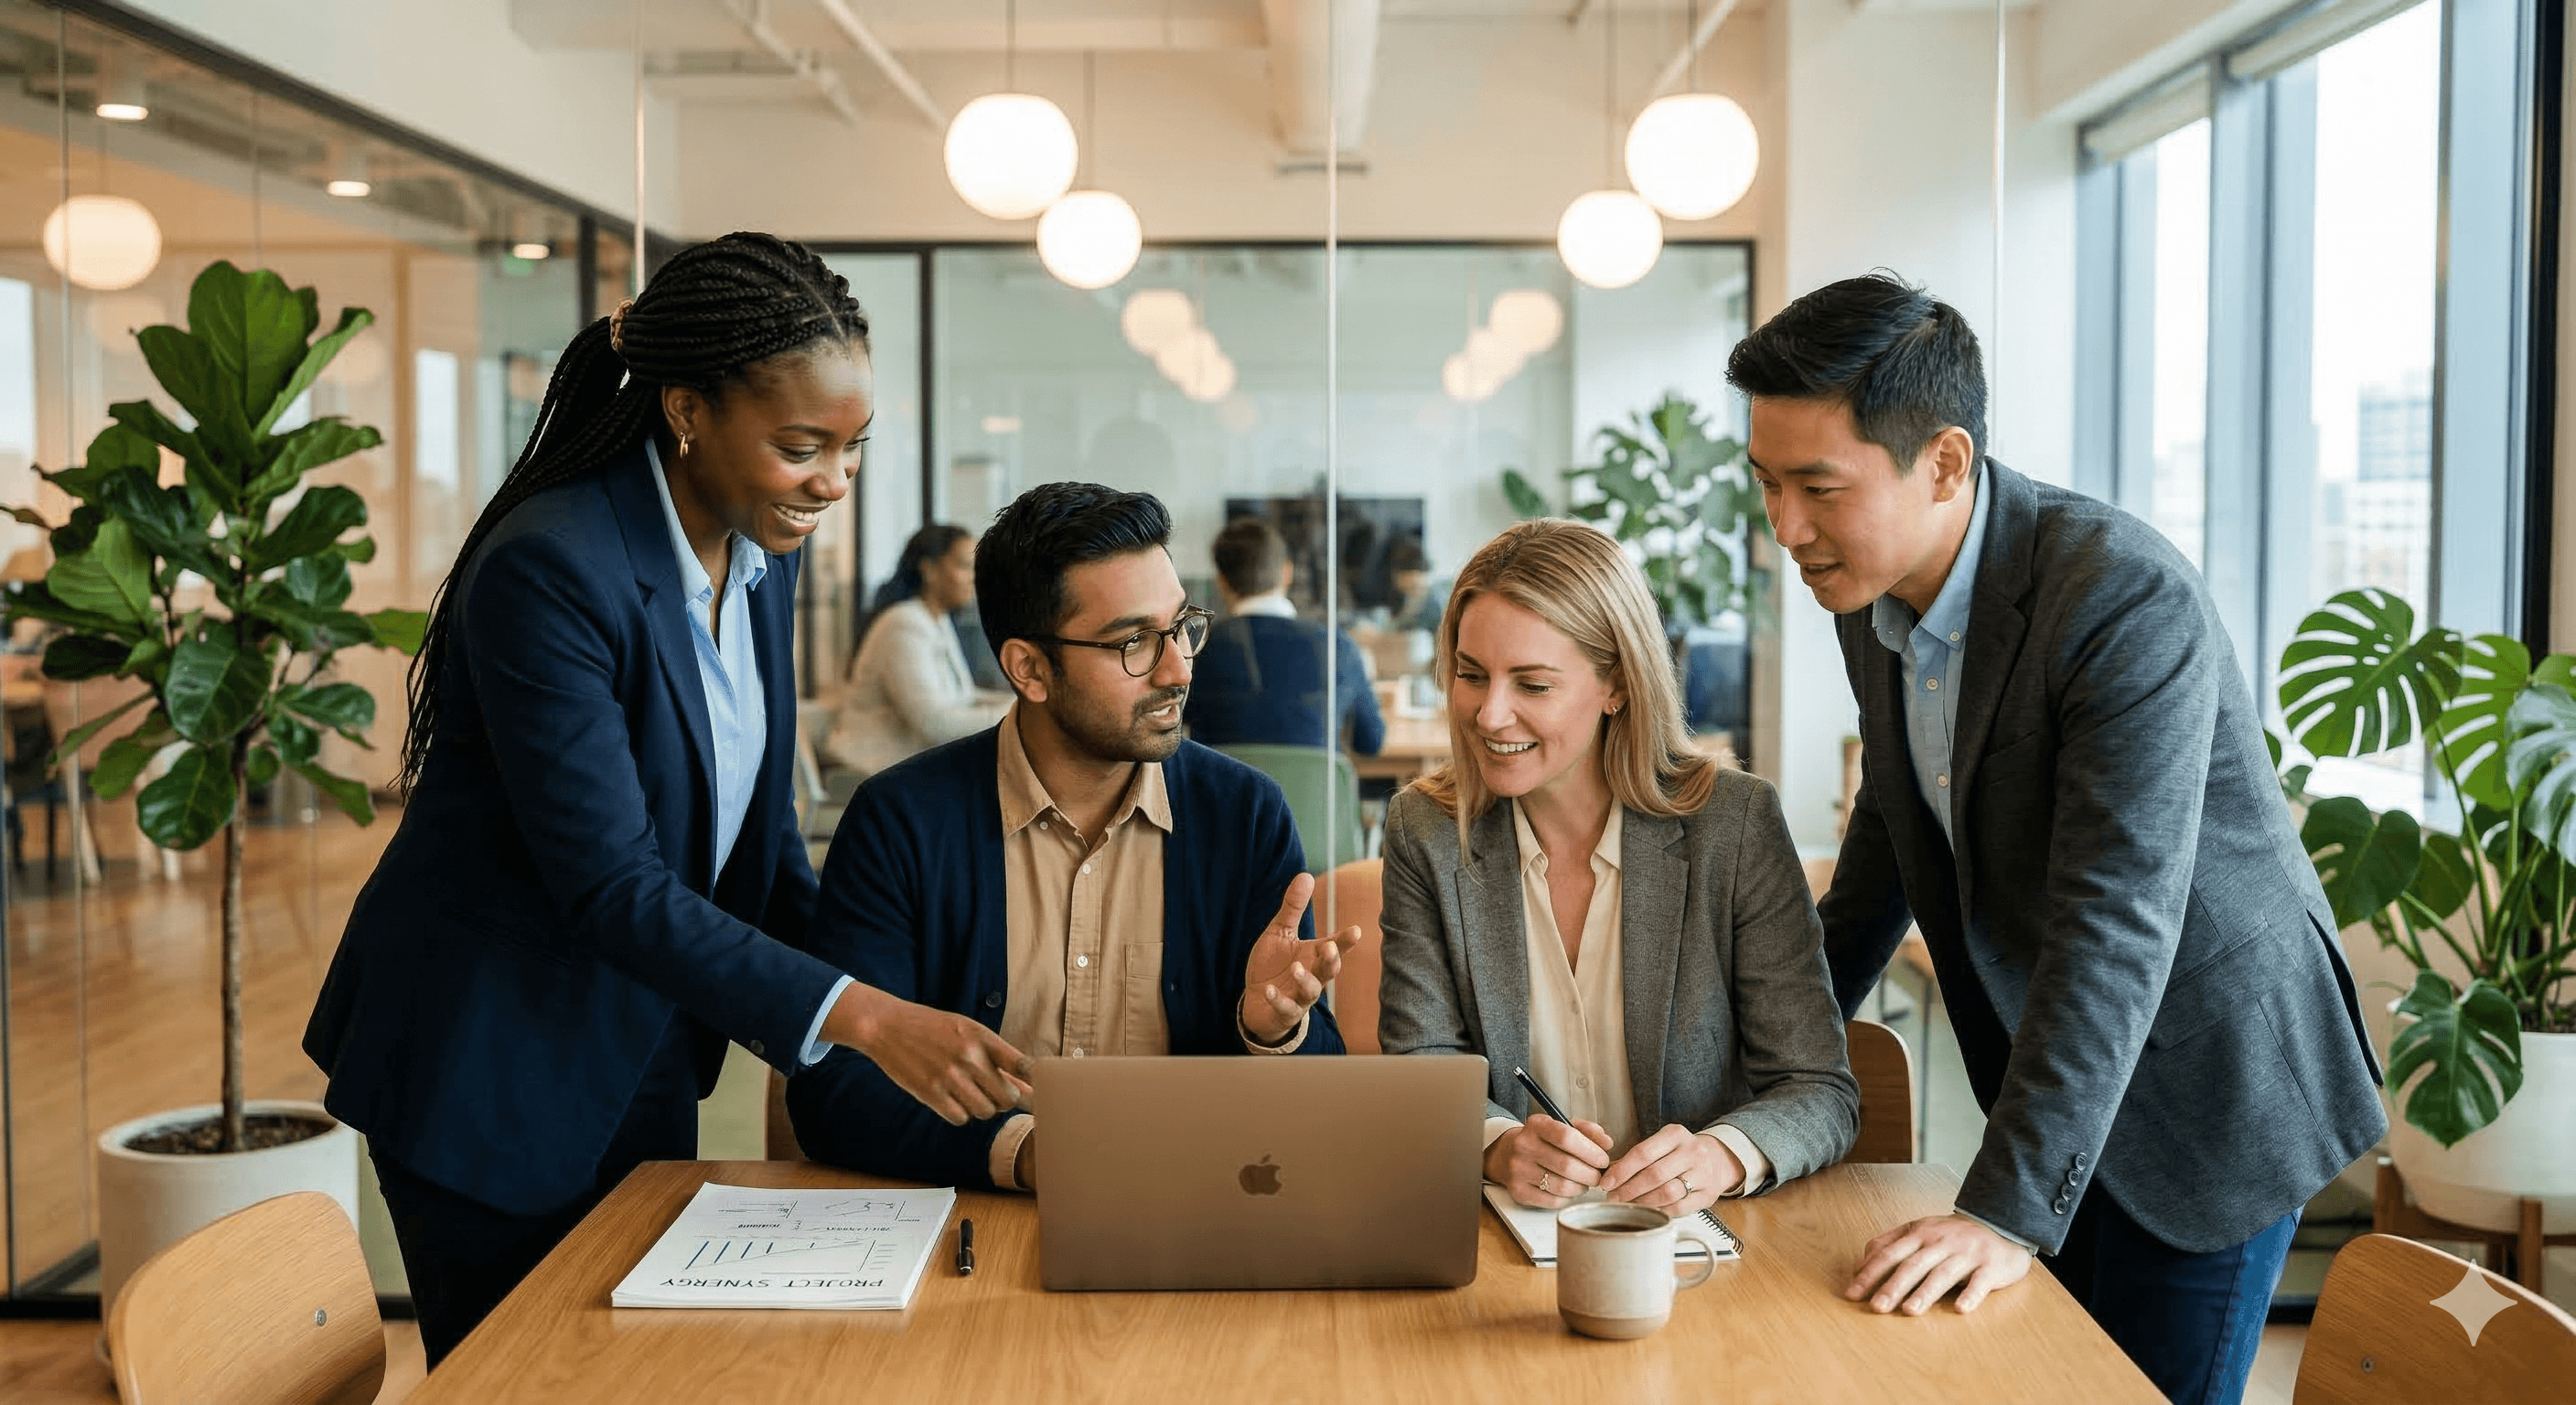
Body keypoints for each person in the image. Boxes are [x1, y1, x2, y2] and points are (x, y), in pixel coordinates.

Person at [302, 234, 1031, 1366]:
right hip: (489, 1058)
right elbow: (611, 885)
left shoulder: (760, 552)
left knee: (640, 1370)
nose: (835, 483)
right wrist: (870, 1019)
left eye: (853, 449)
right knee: (521, 1380)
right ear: (687, 412)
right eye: (802, 447)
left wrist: (902, 992)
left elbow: (761, 845)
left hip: (639, 1040)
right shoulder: (552, 568)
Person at [1727, 273, 2384, 1405]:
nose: (1783, 529)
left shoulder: (2119, 598)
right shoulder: (1867, 593)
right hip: (2064, 1079)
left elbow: (2114, 923)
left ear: (1943, 462)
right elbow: (1884, 848)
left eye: (1815, 488)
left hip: (2203, 1096)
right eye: (1766, 486)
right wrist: (1745, 1081)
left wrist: (2000, 1208)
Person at [788, 483, 1360, 1191]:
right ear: (1029, 668)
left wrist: (1270, 1032)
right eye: (1133, 644)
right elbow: (833, 1091)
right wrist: (1030, 1152)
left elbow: (1325, 1095)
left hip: (1190, 1216)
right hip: (972, 1236)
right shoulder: (900, 821)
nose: (1179, 668)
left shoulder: (1242, 815)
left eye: (1181, 626)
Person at [1377, 519, 1858, 1216]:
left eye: (1533, 685)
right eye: (1471, 675)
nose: (1489, 714)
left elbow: (1819, 1088)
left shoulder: (1734, 824)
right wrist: (1499, 1144)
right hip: (1512, 1240)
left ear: (1618, 686)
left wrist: (1719, 1155)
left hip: (1702, 1245)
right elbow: (1421, 1063)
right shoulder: (1425, 830)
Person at [1184, 517, 1385, 756]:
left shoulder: (1197, 648)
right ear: (1287, 572)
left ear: (1222, 582)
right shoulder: (1337, 647)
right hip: (1312, 792)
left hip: (1223, 792)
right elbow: (1371, 742)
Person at [822, 522, 1011, 777]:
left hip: (913, 765)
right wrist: (1017, 713)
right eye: (965, 567)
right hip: (876, 771)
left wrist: (1018, 702)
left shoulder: (936, 619)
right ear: (930, 570)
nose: (974, 578)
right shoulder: (902, 623)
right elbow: (934, 724)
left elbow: (961, 696)